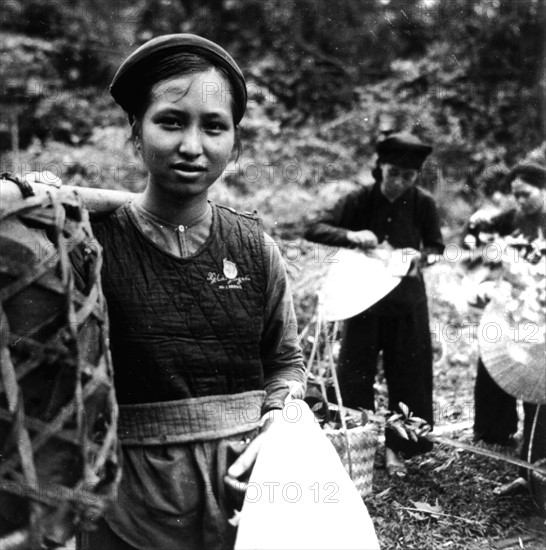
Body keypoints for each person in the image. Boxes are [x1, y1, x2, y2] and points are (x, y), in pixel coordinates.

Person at [67, 34, 306, 550]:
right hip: (128, 502)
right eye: (171, 121)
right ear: (136, 132)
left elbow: (286, 362)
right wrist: (50, 196)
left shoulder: (255, 247)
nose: (193, 146)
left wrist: (279, 426)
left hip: (250, 497)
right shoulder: (90, 244)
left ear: (234, 143)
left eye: (214, 127)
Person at [304, 132, 445, 477]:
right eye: (393, 173)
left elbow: (436, 247)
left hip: (406, 301)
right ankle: (356, 441)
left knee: (409, 374)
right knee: (354, 372)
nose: (399, 182)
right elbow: (314, 228)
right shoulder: (360, 200)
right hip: (362, 300)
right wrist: (351, 236)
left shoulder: (423, 203)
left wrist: (418, 259)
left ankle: (400, 446)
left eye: (408, 176)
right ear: (379, 167)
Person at [466, 161, 546, 495]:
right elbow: (476, 244)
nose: (521, 202)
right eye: (515, 196)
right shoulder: (512, 219)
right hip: (515, 302)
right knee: (500, 359)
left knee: (538, 385)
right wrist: (476, 230)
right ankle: (498, 433)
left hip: (541, 306)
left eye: (526, 195)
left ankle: (535, 465)